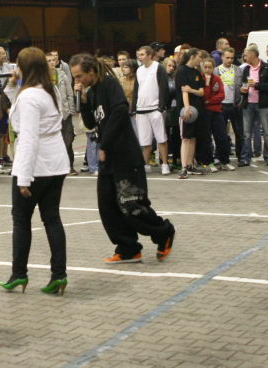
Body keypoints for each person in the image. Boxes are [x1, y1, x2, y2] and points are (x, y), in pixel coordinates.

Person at [71, 53, 175, 264]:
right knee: (107, 207)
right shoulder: (92, 92)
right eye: (75, 77)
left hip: (124, 156)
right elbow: (90, 123)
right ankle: (128, 248)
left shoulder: (109, 85)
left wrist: (105, 145)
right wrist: (83, 100)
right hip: (108, 160)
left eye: (80, 76)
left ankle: (163, 231)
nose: (77, 80)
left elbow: (120, 111)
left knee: (131, 205)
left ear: (91, 72)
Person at [0, 48, 70, 295]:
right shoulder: (49, 90)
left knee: (21, 220)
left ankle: (19, 273)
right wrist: (12, 86)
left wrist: (24, 177)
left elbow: (29, 137)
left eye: (18, 65)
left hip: (35, 165)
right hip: (56, 162)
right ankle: (59, 274)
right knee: (52, 218)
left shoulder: (30, 96)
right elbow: (19, 109)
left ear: (25, 68)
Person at [133, 46, 170, 176]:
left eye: (142, 54)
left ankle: (164, 164)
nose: (139, 57)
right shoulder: (139, 70)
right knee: (145, 142)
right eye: (139, 54)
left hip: (155, 109)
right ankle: (145, 165)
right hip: (141, 110)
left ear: (149, 55)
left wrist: (161, 107)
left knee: (161, 139)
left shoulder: (158, 67)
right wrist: (134, 109)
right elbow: (136, 90)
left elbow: (163, 87)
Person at [237, 47, 268, 168]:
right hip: (248, 104)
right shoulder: (246, 69)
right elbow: (244, 84)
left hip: (263, 105)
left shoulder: (267, 68)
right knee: (247, 133)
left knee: (267, 132)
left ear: (253, 55)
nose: (244, 58)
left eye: (246, 55)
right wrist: (242, 90)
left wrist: (257, 85)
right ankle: (245, 158)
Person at [176, 48, 209, 177]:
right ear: (192, 56)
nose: (201, 59)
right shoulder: (181, 70)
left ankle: (190, 165)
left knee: (193, 137)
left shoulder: (197, 72)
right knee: (186, 138)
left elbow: (201, 92)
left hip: (198, 109)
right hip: (187, 110)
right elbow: (184, 90)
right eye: (199, 57)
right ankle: (184, 167)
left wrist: (192, 90)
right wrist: (187, 107)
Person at [201, 57, 235, 171]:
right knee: (206, 138)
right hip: (205, 112)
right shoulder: (200, 80)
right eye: (205, 67)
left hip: (217, 111)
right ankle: (208, 163)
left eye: (210, 67)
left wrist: (209, 101)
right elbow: (203, 95)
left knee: (222, 137)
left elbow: (221, 95)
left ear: (213, 68)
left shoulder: (217, 79)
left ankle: (224, 161)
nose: (207, 69)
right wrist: (206, 84)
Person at [47, 52, 77, 173]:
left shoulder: (62, 74)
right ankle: (55, 167)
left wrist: (71, 110)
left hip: (65, 113)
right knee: (53, 142)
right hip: (51, 115)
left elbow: (69, 93)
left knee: (68, 139)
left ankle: (70, 166)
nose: (52, 62)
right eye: (49, 61)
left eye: (53, 60)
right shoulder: (42, 77)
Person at [215, 48, 243, 163]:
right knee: (220, 133)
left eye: (232, 58)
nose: (230, 60)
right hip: (221, 105)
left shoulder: (238, 70)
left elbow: (242, 85)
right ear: (222, 57)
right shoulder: (216, 70)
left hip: (235, 104)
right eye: (227, 57)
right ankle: (219, 155)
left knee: (239, 132)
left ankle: (241, 156)